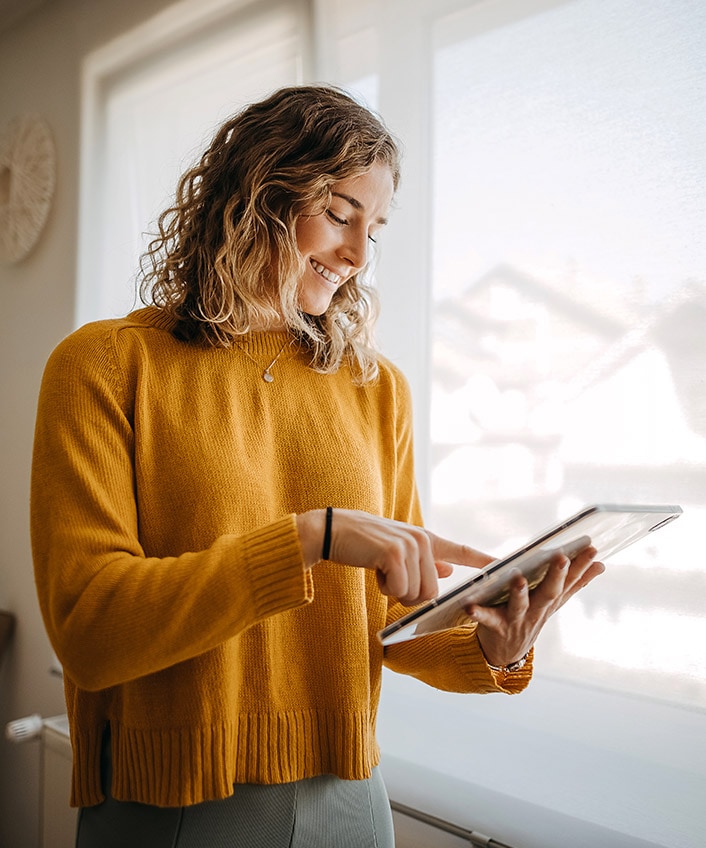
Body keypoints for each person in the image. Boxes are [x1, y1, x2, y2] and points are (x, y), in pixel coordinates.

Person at [30, 85, 603, 848]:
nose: (359, 254)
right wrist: (304, 539)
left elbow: (393, 614)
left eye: (376, 228)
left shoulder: (376, 389)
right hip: (172, 804)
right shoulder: (104, 365)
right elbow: (90, 629)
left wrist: (491, 648)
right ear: (258, 195)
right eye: (339, 214)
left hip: (352, 804)